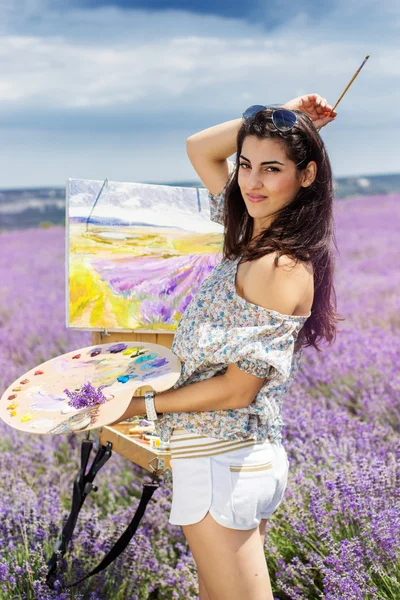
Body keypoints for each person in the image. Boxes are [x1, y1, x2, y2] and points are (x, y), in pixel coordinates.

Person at [113, 93, 340, 599]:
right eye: (246, 165)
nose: (252, 182)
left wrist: (136, 407)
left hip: (224, 464)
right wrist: (287, 114)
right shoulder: (248, 240)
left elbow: (238, 389)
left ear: (306, 176)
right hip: (226, 459)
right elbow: (199, 148)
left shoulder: (278, 265)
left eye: (272, 168)